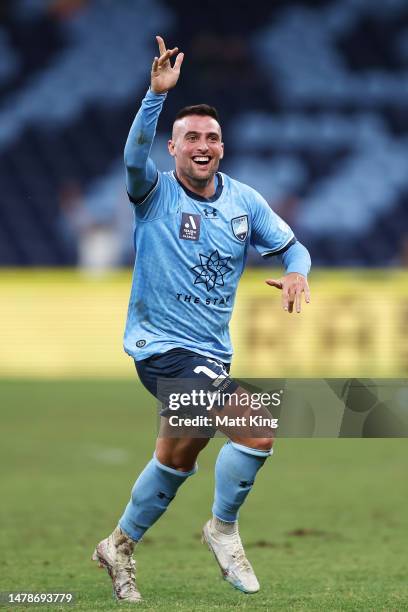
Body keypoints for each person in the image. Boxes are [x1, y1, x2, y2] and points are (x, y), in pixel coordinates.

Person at [92, 36, 311, 603]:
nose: (203, 144)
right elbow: (131, 158)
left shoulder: (244, 201)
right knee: (258, 427)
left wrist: (296, 271)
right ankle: (223, 528)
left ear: (222, 147)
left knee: (176, 457)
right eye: (192, 136)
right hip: (161, 347)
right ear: (174, 147)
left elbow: (294, 247)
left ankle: (118, 544)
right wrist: (153, 96)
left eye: (212, 137)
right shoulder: (153, 194)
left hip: (211, 354)